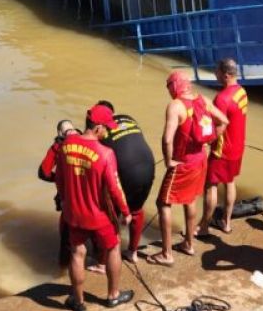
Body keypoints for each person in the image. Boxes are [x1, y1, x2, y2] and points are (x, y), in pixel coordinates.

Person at [146, 71, 228, 266]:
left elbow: (167, 139)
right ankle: (189, 243)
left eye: (168, 87)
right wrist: (209, 141)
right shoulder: (203, 100)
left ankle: (166, 254)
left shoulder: (175, 105)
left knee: (163, 203)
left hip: (183, 162)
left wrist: (168, 161)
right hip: (201, 158)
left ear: (174, 86)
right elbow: (224, 121)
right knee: (190, 199)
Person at [59, 104, 133, 311]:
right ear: (98, 127)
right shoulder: (106, 153)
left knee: (77, 253)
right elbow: (115, 188)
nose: (107, 132)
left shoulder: (66, 145)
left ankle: (78, 301)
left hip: (74, 214)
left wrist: (65, 202)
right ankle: (113, 295)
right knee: (113, 249)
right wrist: (126, 212)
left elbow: (59, 180)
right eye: (106, 128)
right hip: (99, 216)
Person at [95, 100, 156, 262]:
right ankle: (133, 252)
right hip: (148, 165)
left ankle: (106, 258)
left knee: (111, 213)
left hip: (126, 170)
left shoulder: (101, 129)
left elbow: (101, 162)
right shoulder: (129, 119)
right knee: (136, 210)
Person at [200, 58, 249, 234]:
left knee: (210, 185)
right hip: (237, 146)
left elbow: (219, 127)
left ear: (226, 75)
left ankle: (204, 227)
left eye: (217, 71)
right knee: (229, 182)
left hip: (222, 150)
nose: (215, 73)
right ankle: (226, 222)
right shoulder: (241, 91)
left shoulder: (222, 98)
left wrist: (205, 142)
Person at [38, 120, 81, 266]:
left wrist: (59, 178)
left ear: (59, 134)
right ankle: (100, 263)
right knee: (95, 236)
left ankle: (63, 269)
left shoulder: (57, 147)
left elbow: (43, 173)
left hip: (68, 201)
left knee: (67, 240)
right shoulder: (89, 140)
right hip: (92, 199)